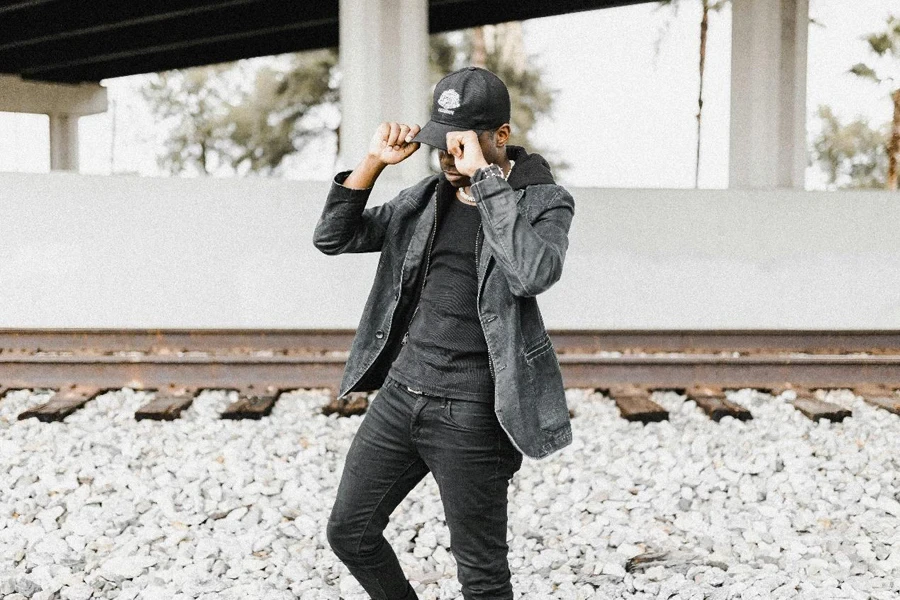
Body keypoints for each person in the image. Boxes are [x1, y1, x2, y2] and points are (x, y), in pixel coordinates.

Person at [313, 66, 575, 600]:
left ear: (500, 137)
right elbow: (333, 238)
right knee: (350, 533)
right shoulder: (423, 197)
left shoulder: (543, 202)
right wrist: (372, 164)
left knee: (481, 576)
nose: (451, 160)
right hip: (400, 396)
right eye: (443, 147)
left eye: (463, 146)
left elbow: (532, 273)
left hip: (473, 412)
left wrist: (486, 182)